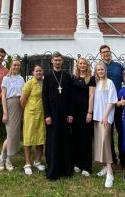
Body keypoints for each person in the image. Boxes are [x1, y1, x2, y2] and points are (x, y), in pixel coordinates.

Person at [42, 51, 74, 180]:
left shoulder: (67, 76)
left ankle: (66, 168)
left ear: (62, 61)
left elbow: (71, 97)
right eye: (55, 60)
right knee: (53, 140)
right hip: (52, 114)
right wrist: (47, 115)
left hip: (65, 113)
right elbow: (44, 97)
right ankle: (53, 168)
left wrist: (71, 113)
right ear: (52, 61)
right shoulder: (48, 77)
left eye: (59, 60)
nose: (57, 62)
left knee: (65, 140)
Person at [0, 56, 25, 172]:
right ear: (11, 65)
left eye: (18, 65)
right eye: (14, 65)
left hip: (19, 106)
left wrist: (23, 110)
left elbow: (23, 95)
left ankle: (7, 158)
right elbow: (3, 96)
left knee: (14, 135)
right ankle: (2, 158)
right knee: (10, 134)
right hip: (9, 105)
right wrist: (5, 112)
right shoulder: (6, 79)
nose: (16, 67)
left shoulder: (21, 78)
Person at [92, 61, 118, 188]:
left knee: (105, 143)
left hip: (105, 118)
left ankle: (110, 173)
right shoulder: (96, 84)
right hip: (97, 117)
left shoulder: (109, 83)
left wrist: (105, 116)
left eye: (102, 69)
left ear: (105, 70)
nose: (100, 71)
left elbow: (112, 101)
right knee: (99, 143)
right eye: (98, 70)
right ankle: (104, 167)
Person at [100, 44, 125, 167]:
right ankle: (111, 158)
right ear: (101, 54)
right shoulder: (100, 68)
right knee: (107, 132)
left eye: (107, 51)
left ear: (110, 52)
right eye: (103, 52)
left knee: (121, 131)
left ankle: (123, 157)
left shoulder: (119, 67)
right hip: (106, 105)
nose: (106, 54)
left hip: (118, 104)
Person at [71, 57, 96, 177]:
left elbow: (91, 96)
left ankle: (87, 166)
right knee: (76, 137)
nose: (82, 65)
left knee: (86, 138)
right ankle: (77, 163)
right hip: (75, 112)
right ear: (77, 65)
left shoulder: (91, 79)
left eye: (84, 63)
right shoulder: (73, 78)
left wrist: (89, 112)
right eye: (80, 63)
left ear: (87, 65)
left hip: (85, 112)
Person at [20, 64, 46, 175]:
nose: (39, 72)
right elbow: (22, 100)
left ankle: (37, 161)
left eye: (40, 71)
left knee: (41, 139)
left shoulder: (45, 83)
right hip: (30, 115)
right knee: (28, 138)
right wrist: (26, 112)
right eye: (37, 71)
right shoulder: (29, 83)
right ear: (33, 72)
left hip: (42, 114)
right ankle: (27, 163)